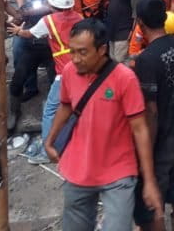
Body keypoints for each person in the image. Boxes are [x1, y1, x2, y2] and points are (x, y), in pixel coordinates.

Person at [44, 19, 163, 231]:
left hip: (118, 171)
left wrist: (149, 181)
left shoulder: (124, 79)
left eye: (82, 52)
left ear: (101, 50)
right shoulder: (69, 71)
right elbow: (66, 106)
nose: (75, 59)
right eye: (72, 51)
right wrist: (50, 140)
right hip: (78, 168)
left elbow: (140, 129)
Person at [132, 0, 174, 231]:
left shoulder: (147, 58)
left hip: (162, 138)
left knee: (152, 204)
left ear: (140, 23)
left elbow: (151, 111)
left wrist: (145, 151)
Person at [8, 0, 80, 137]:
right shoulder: (78, 16)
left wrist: (19, 31)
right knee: (18, 78)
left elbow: (29, 33)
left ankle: (52, 136)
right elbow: (19, 17)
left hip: (52, 53)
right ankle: (13, 112)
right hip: (36, 50)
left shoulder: (49, 17)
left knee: (53, 97)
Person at [9, 0, 54, 108]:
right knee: (19, 76)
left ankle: (56, 101)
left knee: (55, 77)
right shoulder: (26, 6)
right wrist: (11, 15)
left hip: (50, 46)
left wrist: (27, 13)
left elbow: (47, 9)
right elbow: (18, 19)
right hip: (32, 46)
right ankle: (19, 102)